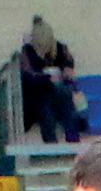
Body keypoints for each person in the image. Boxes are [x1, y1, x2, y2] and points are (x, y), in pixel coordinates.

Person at [18, 17, 83, 145]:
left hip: (58, 93)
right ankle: (66, 140)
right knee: (46, 102)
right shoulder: (28, 51)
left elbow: (69, 62)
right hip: (38, 94)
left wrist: (67, 70)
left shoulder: (60, 48)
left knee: (63, 93)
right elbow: (29, 76)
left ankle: (68, 140)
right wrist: (47, 78)